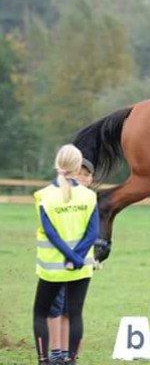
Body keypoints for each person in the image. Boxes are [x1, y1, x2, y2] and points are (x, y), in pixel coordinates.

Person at [33, 146, 98, 365]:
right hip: (81, 268)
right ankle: (71, 361)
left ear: (57, 164)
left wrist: (68, 256)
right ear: (77, 166)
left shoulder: (43, 195)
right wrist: (77, 258)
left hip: (52, 267)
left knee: (40, 313)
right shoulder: (89, 196)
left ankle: (44, 360)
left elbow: (51, 233)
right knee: (76, 314)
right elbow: (93, 233)